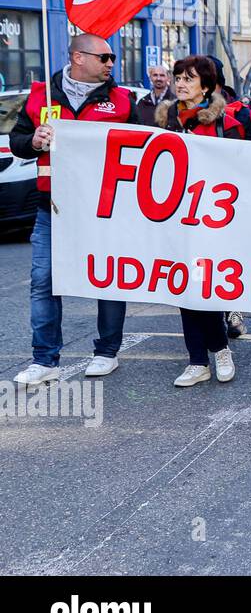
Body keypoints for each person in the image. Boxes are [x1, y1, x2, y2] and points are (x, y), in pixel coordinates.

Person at [10, 33, 137, 387]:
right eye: (105, 57)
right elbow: (18, 141)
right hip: (53, 208)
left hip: (104, 209)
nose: (112, 63)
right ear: (79, 58)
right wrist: (33, 141)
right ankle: (44, 359)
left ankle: (107, 352)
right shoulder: (41, 96)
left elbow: (148, 144)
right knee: (43, 282)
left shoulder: (122, 100)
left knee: (108, 278)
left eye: (112, 58)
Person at [154, 56, 243, 387]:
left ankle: (220, 350)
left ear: (206, 86)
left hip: (214, 218)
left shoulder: (227, 123)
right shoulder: (163, 122)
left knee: (205, 286)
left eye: (189, 78)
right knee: (182, 286)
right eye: (178, 77)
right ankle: (196, 360)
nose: (180, 83)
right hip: (175, 216)